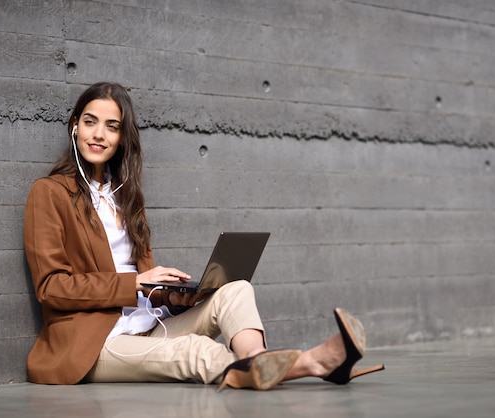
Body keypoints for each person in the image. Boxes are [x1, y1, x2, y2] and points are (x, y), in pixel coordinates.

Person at [23, 81, 384, 389]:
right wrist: (134, 281)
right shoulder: (50, 192)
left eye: (111, 126)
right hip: (94, 344)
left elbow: (143, 288)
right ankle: (316, 363)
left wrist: (172, 296)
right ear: (74, 126)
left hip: (147, 324)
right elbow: (51, 287)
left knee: (235, 290)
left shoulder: (127, 197)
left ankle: (256, 363)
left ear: (121, 137)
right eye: (90, 122)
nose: (99, 134)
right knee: (196, 351)